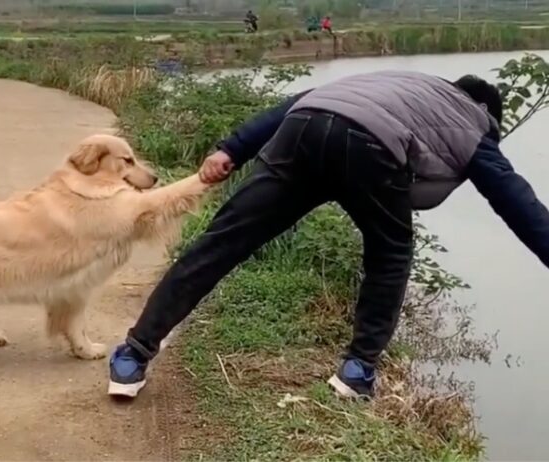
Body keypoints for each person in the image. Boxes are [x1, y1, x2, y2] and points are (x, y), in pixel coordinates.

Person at [107, 70, 549, 399]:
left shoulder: (395, 81)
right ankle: (357, 371)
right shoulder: (473, 122)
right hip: (371, 150)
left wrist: (233, 148)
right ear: (488, 112)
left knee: (222, 242)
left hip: (304, 130)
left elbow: (298, 101)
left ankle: (134, 355)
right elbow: (519, 204)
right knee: (390, 254)